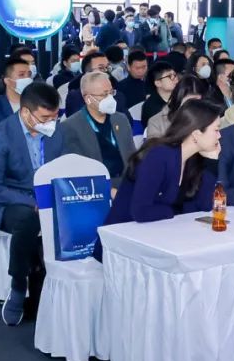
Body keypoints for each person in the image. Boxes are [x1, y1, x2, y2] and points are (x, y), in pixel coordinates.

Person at [93, 99, 223, 260]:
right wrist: (177, 210)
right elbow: (140, 211)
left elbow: (203, 206)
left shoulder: (193, 159)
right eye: (216, 130)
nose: (219, 135)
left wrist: (212, 161)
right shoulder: (158, 155)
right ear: (196, 134)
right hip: (122, 244)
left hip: (157, 237)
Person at [0, 83, 64, 326]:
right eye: (45, 118)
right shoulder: (1, 136)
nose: (51, 123)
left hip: (47, 197)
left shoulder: (56, 131)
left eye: (55, 116)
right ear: (26, 113)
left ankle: (58, 287)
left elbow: (63, 167)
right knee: (28, 220)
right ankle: (18, 284)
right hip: (10, 201)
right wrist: (32, 202)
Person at [62, 72, 137, 181]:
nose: (110, 98)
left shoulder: (121, 119)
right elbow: (78, 170)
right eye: (104, 94)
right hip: (96, 185)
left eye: (111, 92)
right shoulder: (70, 127)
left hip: (126, 182)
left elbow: (132, 156)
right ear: (88, 99)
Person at [145, 75, 208, 139]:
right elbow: (154, 145)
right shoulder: (156, 123)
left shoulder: (208, 119)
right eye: (189, 102)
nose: (193, 107)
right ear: (178, 100)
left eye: (197, 103)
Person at [0, 57, 33, 128]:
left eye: (29, 75)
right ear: (7, 81)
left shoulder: (38, 105)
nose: (27, 79)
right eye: (21, 75)